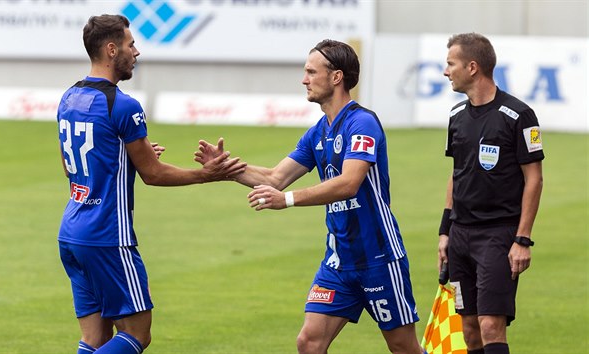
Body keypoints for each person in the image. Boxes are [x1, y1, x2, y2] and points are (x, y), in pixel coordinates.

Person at [196, 39, 421, 354]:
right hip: (338, 261)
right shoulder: (319, 131)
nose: (304, 79)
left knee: (403, 347)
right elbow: (276, 178)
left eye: (311, 72)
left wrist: (286, 200)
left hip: (379, 258)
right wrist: (227, 169)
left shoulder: (362, 122)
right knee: (309, 342)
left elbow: (349, 183)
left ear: (336, 77)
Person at [56, 14, 246, 354]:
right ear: (112, 50)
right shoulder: (123, 105)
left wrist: (121, 158)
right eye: (131, 45)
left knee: (94, 338)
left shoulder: (69, 97)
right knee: (136, 334)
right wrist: (208, 174)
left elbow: (70, 165)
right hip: (107, 237)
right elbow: (153, 174)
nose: (137, 52)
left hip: (71, 233)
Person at [437, 33, 544, 354]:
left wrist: (522, 239)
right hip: (460, 238)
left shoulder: (519, 116)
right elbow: (456, 175)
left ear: (472, 67)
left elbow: (535, 180)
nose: (445, 71)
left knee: (490, 325)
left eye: (450, 64)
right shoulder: (456, 116)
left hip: (498, 236)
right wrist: (445, 232)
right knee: (469, 328)